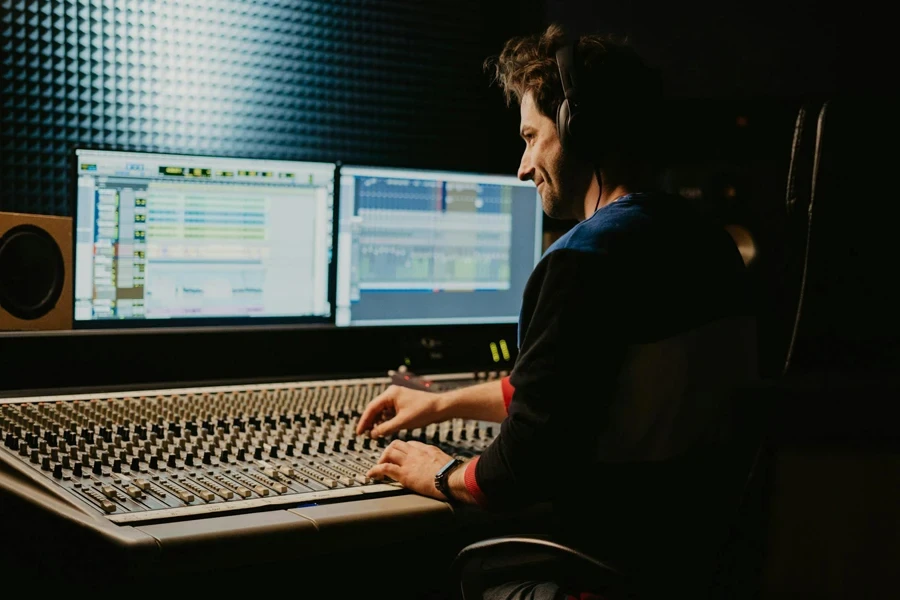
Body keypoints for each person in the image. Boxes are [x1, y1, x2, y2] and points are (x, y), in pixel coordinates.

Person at [356, 23, 757, 600]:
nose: (523, 166)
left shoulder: (583, 261)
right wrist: (441, 402)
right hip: (697, 562)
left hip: (609, 573)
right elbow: (573, 386)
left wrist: (440, 472)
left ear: (579, 130)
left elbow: (515, 475)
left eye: (530, 137)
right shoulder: (709, 243)